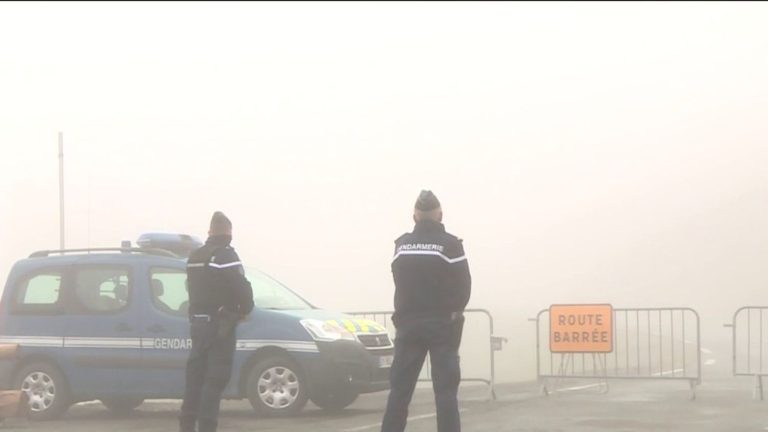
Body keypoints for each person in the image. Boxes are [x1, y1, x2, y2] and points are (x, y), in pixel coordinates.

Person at [381, 190, 472, 432]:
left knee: (399, 392)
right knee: (445, 394)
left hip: (409, 326)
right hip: (442, 326)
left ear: (414, 217)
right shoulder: (451, 245)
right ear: (440, 215)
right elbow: (464, 287)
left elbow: (399, 280)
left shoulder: (401, 246)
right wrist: (454, 312)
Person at [179, 211, 255, 432]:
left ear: (210, 231)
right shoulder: (226, 257)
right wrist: (243, 309)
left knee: (194, 380)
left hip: (198, 325)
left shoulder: (194, 257)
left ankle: (186, 426)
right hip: (219, 326)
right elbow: (242, 290)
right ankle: (207, 427)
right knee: (215, 380)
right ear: (229, 233)